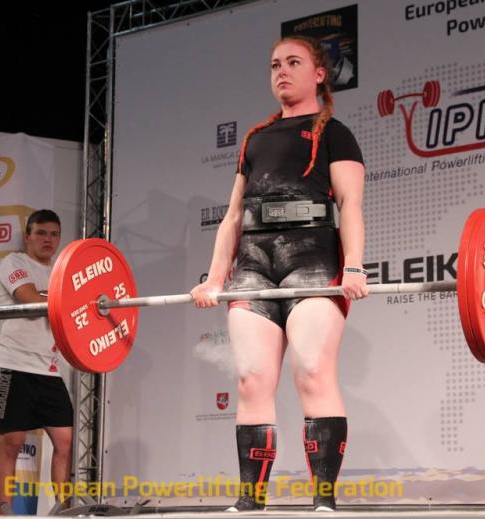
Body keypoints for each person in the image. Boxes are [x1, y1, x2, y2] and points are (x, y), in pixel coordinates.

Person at [191, 36, 367, 512]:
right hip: (254, 261)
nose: (281, 71)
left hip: (312, 259)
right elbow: (232, 216)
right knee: (251, 379)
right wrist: (214, 277)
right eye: (274, 65)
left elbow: (350, 204)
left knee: (312, 372)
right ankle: (251, 501)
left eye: (293, 62)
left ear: (319, 74)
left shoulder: (336, 134)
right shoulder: (255, 139)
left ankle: (324, 500)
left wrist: (353, 265)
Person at [0, 209, 73, 514]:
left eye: (54, 234)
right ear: (28, 236)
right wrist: (61, 300)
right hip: (12, 365)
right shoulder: (14, 262)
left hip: (48, 369)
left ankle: (63, 510)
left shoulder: (61, 273)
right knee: (12, 441)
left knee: (64, 441)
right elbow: (29, 299)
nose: (48, 240)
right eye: (41, 233)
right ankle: (5, 512)